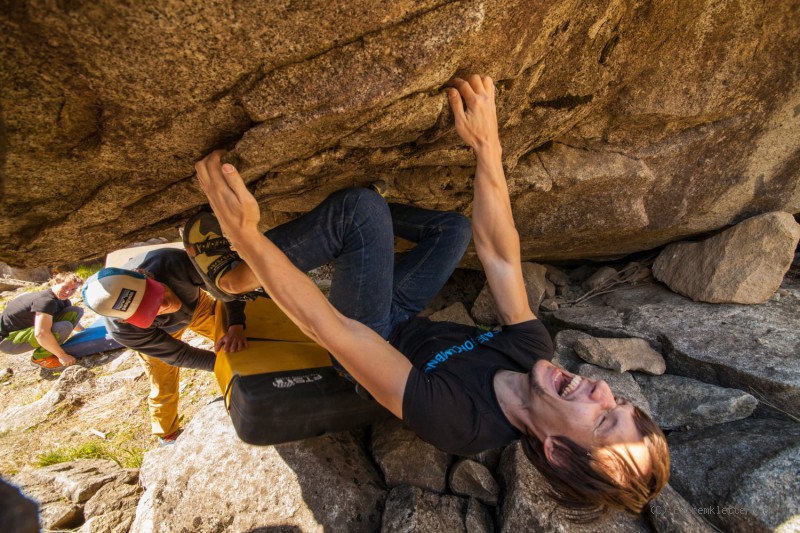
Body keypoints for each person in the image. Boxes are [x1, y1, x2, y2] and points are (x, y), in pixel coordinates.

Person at [205, 74, 668, 518]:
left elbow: (334, 329)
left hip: (366, 346)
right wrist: (488, 145)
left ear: (559, 453)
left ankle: (230, 278)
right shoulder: (534, 354)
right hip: (403, 318)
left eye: (603, 419)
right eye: (618, 404)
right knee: (454, 230)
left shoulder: (461, 423)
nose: (604, 389)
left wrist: (245, 236)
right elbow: (501, 258)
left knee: (359, 214)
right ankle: (365, 218)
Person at [82, 250, 248, 445]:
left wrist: (236, 324)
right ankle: (167, 433)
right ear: (126, 319)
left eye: (156, 296)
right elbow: (179, 355)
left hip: (196, 307)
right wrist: (223, 366)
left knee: (244, 341)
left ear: (147, 277)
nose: (165, 305)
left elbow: (228, 286)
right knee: (163, 383)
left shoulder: (172, 262)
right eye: (148, 311)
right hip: (160, 334)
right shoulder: (124, 330)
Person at [0, 272, 84, 369]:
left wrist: (84, 332)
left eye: (73, 289)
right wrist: (62, 356)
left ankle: (51, 349)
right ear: (55, 283)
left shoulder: (63, 300)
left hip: (24, 330)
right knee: (63, 327)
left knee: (75, 311)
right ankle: (39, 359)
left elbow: (72, 318)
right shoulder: (45, 301)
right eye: (65, 287)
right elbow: (41, 333)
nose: (68, 292)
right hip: (8, 341)